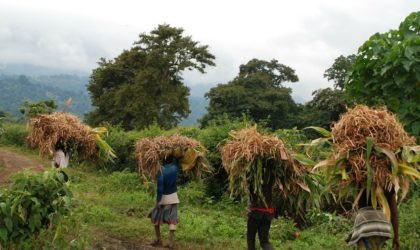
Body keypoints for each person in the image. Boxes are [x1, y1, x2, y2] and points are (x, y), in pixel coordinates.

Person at [149, 156, 179, 249]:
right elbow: (177, 160)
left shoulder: (161, 171)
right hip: (173, 197)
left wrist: (158, 201)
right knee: (172, 220)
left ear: (163, 160)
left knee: (156, 218)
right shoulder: (175, 168)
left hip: (164, 198)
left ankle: (158, 239)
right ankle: (170, 242)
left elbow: (160, 188)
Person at [247, 161, 275, 250]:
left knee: (251, 239)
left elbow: (246, 175)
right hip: (268, 215)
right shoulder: (270, 182)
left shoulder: (253, 183)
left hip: (255, 214)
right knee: (264, 241)